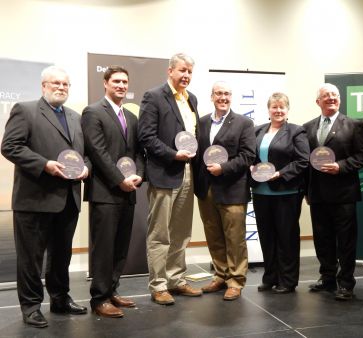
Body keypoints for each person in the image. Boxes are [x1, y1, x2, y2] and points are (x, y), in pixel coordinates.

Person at [1, 66, 89, 328]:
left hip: (68, 198)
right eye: (55, 83)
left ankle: (60, 299)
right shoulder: (25, 110)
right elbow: (10, 146)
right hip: (35, 199)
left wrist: (86, 168)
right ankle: (31, 307)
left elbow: (83, 154)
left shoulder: (75, 117)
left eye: (65, 84)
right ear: (43, 86)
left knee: (62, 255)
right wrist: (44, 164)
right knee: (31, 258)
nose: (61, 87)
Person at [138, 53, 202, 305]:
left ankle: (176, 279)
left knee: (182, 232)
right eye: (182, 70)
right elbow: (146, 137)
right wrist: (174, 155)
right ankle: (158, 285)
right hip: (164, 172)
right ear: (170, 71)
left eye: (189, 72)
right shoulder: (153, 96)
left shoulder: (192, 99)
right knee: (160, 234)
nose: (185, 75)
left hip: (188, 173)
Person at [81, 66, 144, 317]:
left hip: (128, 190)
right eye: (116, 81)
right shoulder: (93, 112)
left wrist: (137, 174)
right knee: (104, 247)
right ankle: (99, 299)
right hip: (105, 192)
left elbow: (138, 152)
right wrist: (120, 180)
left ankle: (112, 290)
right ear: (105, 83)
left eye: (124, 82)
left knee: (120, 247)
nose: (121, 85)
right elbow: (97, 152)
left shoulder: (131, 117)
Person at [303, 83, 363, 301]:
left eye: (334, 95)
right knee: (322, 238)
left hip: (343, 193)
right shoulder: (307, 127)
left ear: (339, 99)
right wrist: (306, 191)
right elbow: (305, 162)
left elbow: (361, 157)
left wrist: (341, 166)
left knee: (346, 240)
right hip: (317, 193)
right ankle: (327, 277)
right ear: (318, 101)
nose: (331, 98)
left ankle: (346, 282)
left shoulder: (354, 125)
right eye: (326, 95)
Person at [194, 81, 256, 301]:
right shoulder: (200, 123)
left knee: (235, 237)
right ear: (212, 96)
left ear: (232, 97)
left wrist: (224, 168)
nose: (223, 97)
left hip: (232, 188)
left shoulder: (244, 123)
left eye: (227, 94)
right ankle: (221, 274)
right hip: (206, 189)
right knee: (214, 235)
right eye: (219, 93)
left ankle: (236, 280)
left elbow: (248, 155)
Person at [251, 93, 309, 294]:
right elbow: (250, 155)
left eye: (282, 107)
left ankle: (288, 280)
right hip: (260, 191)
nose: (278, 110)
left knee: (287, 238)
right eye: (274, 107)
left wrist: (280, 173)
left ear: (287, 110)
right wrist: (251, 167)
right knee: (267, 237)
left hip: (286, 192)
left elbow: (303, 160)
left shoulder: (296, 131)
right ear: (268, 109)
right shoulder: (257, 130)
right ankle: (270, 277)